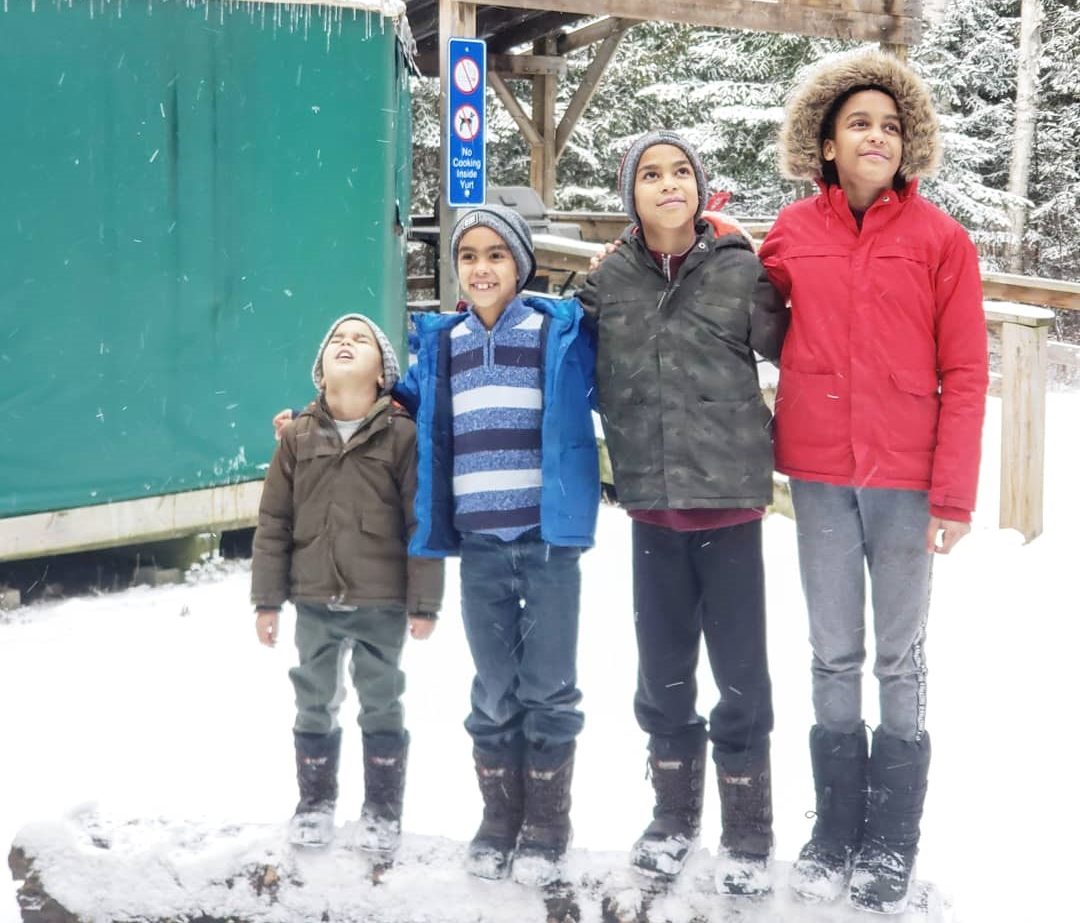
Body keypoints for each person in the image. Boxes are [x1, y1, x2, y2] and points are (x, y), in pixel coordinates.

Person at [758, 51, 989, 913]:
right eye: (859, 122)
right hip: (818, 471)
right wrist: (702, 248)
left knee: (898, 658)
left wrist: (954, 494)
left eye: (891, 126)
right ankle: (834, 829)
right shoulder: (791, 232)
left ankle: (892, 838)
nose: (877, 136)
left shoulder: (941, 242)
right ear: (824, 143)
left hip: (905, 476)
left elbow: (966, 371)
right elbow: (755, 322)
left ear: (908, 145)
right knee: (831, 652)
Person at [576, 130, 789, 896]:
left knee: (741, 676)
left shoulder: (741, 272)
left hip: (730, 506)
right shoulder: (605, 284)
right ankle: (672, 815)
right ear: (629, 195)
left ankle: (750, 826)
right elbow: (552, 347)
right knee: (662, 674)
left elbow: (805, 345)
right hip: (653, 509)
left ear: (703, 187)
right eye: (651, 175)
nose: (670, 185)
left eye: (682, 172)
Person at [394, 204, 600, 884]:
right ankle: (498, 815)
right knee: (494, 687)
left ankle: (546, 819)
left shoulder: (553, 333)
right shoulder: (444, 345)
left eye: (496, 255)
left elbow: (612, 379)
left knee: (549, 684)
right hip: (480, 544)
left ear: (520, 266)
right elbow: (397, 405)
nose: (481, 267)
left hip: (546, 541)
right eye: (469, 256)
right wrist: (322, 408)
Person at [252, 313, 444, 854]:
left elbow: (420, 522)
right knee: (313, 698)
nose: (346, 343)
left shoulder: (401, 436)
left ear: (382, 373)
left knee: (381, 700)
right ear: (320, 370)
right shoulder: (297, 437)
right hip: (313, 599)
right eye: (337, 338)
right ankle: (314, 803)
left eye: (361, 340)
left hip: (380, 600)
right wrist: (267, 600)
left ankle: (383, 809)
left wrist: (423, 601)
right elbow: (273, 523)